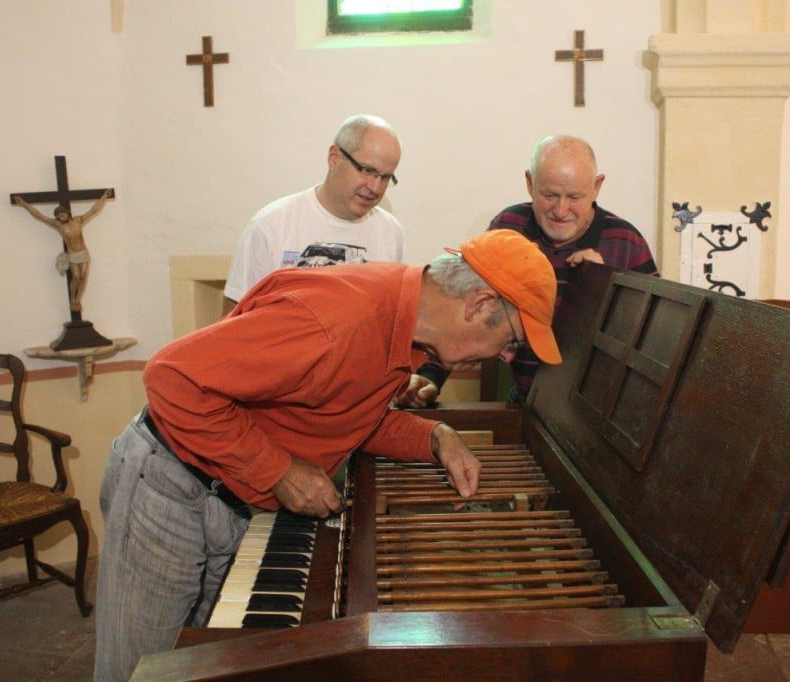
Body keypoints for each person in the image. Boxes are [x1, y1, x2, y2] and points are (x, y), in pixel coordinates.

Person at [93, 229, 562, 681]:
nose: (505, 357)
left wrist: (435, 437)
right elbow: (173, 378)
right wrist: (280, 470)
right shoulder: (339, 320)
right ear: (479, 305)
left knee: (196, 663)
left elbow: (348, 413)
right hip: (170, 482)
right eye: (513, 341)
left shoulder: (401, 328)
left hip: (224, 492)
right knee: (140, 672)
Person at [489, 135, 659, 403]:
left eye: (574, 197)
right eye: (550, 195)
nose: (560, 210)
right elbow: (465, 302)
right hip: (523, 401)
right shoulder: (508, 226)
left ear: (596, 187)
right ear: (530, 183)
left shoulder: (627, 242)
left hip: (596, 409)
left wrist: (605, 284)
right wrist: (431, 376)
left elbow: (654, 339)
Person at [221, 114, 404, 314]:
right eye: (367, 170)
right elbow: (233, 323)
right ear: (334, 158)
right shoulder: (271, 225)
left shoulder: (390, 232)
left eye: (385, 177)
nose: (375, 187)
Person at [13, 189, 113, 313]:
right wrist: (23, 204)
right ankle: (72, 300)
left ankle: (78, 300)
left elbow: (94, 210)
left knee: (83, 277)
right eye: (59, 216)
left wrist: (103, 197)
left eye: (63, 215)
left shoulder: (78, 220)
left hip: (83, 253)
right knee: (76, 277)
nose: (61, 217)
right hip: (73, 254)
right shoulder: (59, 225)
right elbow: (38, 215)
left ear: (67, 213)